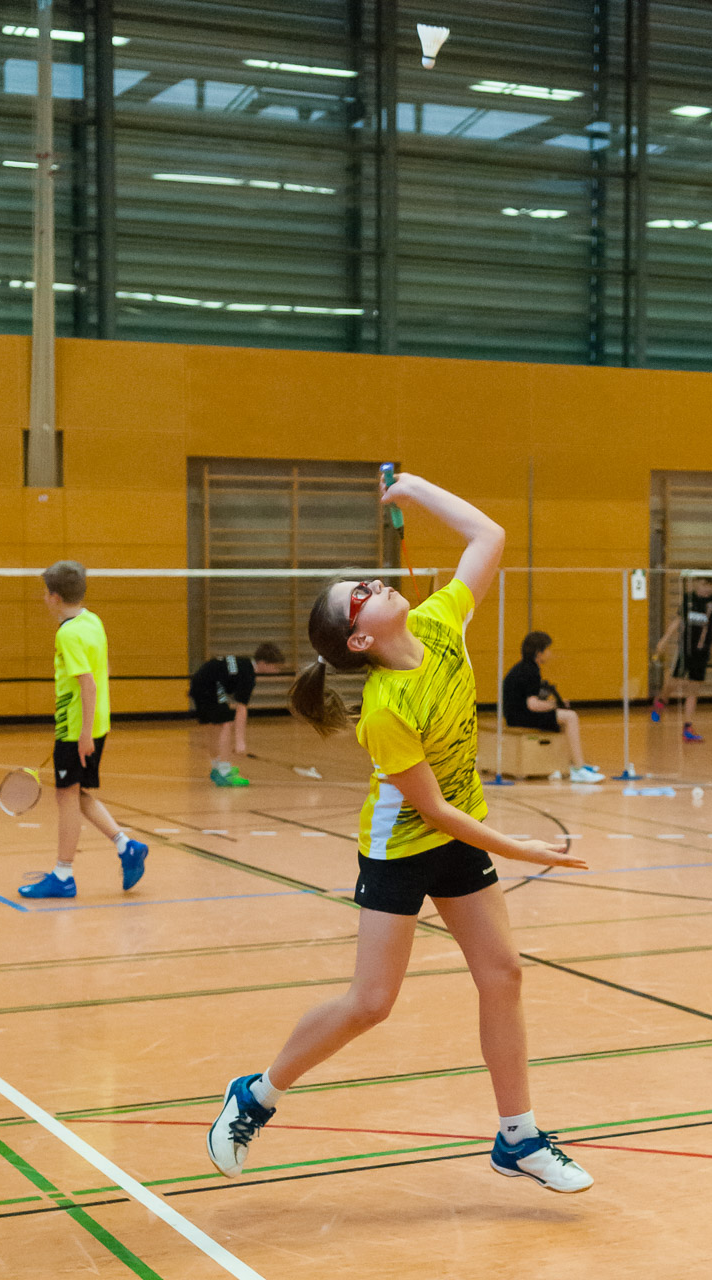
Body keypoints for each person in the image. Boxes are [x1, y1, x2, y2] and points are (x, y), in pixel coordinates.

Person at [206, 472, 594, 1196]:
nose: (374, 583)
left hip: (460, 834)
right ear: (360, 638)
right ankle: (256, 1094)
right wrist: (523, 849)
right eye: (360, 594)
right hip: (402, 849)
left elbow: (488, 536)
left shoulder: (442, 621)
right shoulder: (385, 709)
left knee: (503, 974)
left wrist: (417, 490)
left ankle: (518, 1137)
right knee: (371, 1003)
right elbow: (436, 813)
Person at [18, 561, 148, 900]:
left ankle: (63, 875)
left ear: (55, 597)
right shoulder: (92, 620)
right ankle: (126, 846)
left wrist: (83, 734)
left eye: (45, 593)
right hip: (96, 722)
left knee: (66, 797)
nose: (44, 598)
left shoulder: (68, 634)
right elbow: (102, 670)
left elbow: (87, 684)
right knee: (72, 793)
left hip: (78, 729)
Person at [502, 632, 605, 783]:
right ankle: (578, 768)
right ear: (539, 653)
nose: (550, 653)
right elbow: (533, 705)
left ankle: (572, 764)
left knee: (563, 718)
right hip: (520, 717)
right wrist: (555, 705)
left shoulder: (522, 667)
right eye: (548, 649)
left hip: (515, 714)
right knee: (570, 717)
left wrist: (554, 705)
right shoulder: (531, 671)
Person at [189, 642, 285, 786]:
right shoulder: (248, 675)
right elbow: (241, 709)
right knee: (226, 723)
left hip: (199, 682)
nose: (276, 671)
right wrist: (240, 742)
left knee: (214, 726)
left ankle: (217, 767)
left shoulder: (243, 664)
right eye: (275, 667)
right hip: (209, 685)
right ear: (263, 663)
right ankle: (224, 772)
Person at [651, 576, 712, 742]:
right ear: (697, 583)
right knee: (673, 682)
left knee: (694, 689)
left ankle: (687, 728)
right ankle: (661, 701)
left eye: (710, 585)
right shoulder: (688, 599)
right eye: (704, 584)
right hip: (685, 650)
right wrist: (664, 640)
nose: (707, 588)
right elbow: (678, 621)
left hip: (702, 651)